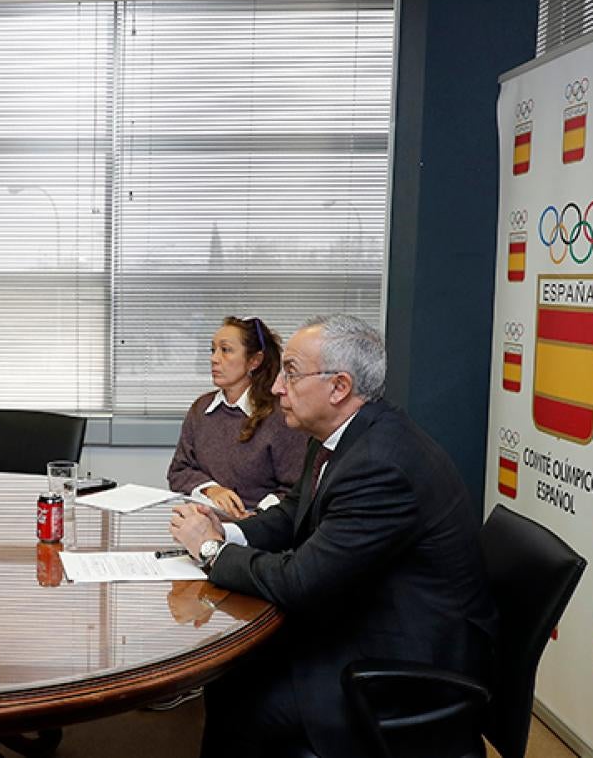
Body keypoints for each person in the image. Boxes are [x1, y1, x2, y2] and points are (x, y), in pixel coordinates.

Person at [169, 314, 498, 758]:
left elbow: (300, 583)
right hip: (370, 619)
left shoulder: (379, 464)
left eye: (291, 373)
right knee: (232, 674)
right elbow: (293, 513)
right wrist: (226, 530)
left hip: (406, 662)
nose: (277, 387)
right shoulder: (338, 436)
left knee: (240, 703)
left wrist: (212, 550)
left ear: (339, 387)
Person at [167, 316, 306, 517]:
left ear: (254, 361)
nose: (214, 359)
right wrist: (211, 489)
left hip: (262, 526)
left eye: (225, 350)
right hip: (205, 521)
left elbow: (297, 488)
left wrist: (257, 517)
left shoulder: (281, 415)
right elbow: (179, 471)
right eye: (213, 350)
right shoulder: (201, 409)